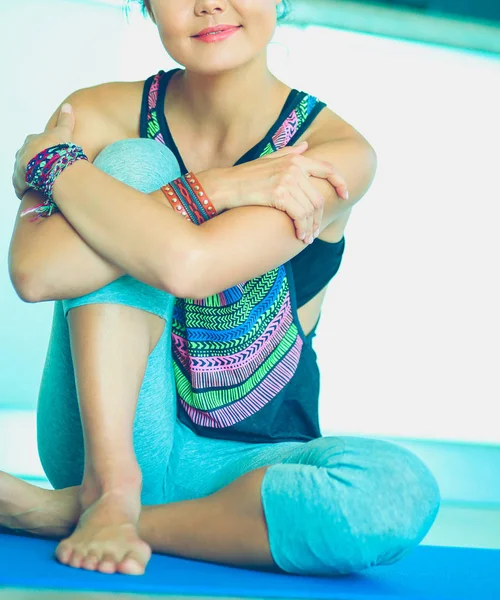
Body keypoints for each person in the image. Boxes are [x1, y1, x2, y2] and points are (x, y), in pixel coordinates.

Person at [3, 0, 440, 579]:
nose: (210, 3)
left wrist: (56, 167)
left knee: (396, 493)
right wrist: (218, 188)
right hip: (101, 439)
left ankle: (71, 511)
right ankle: (110, 487)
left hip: (244, 462)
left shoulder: (333, 154)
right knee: (135, 163)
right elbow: (36, 272)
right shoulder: (96, 111)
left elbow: (192, 266)